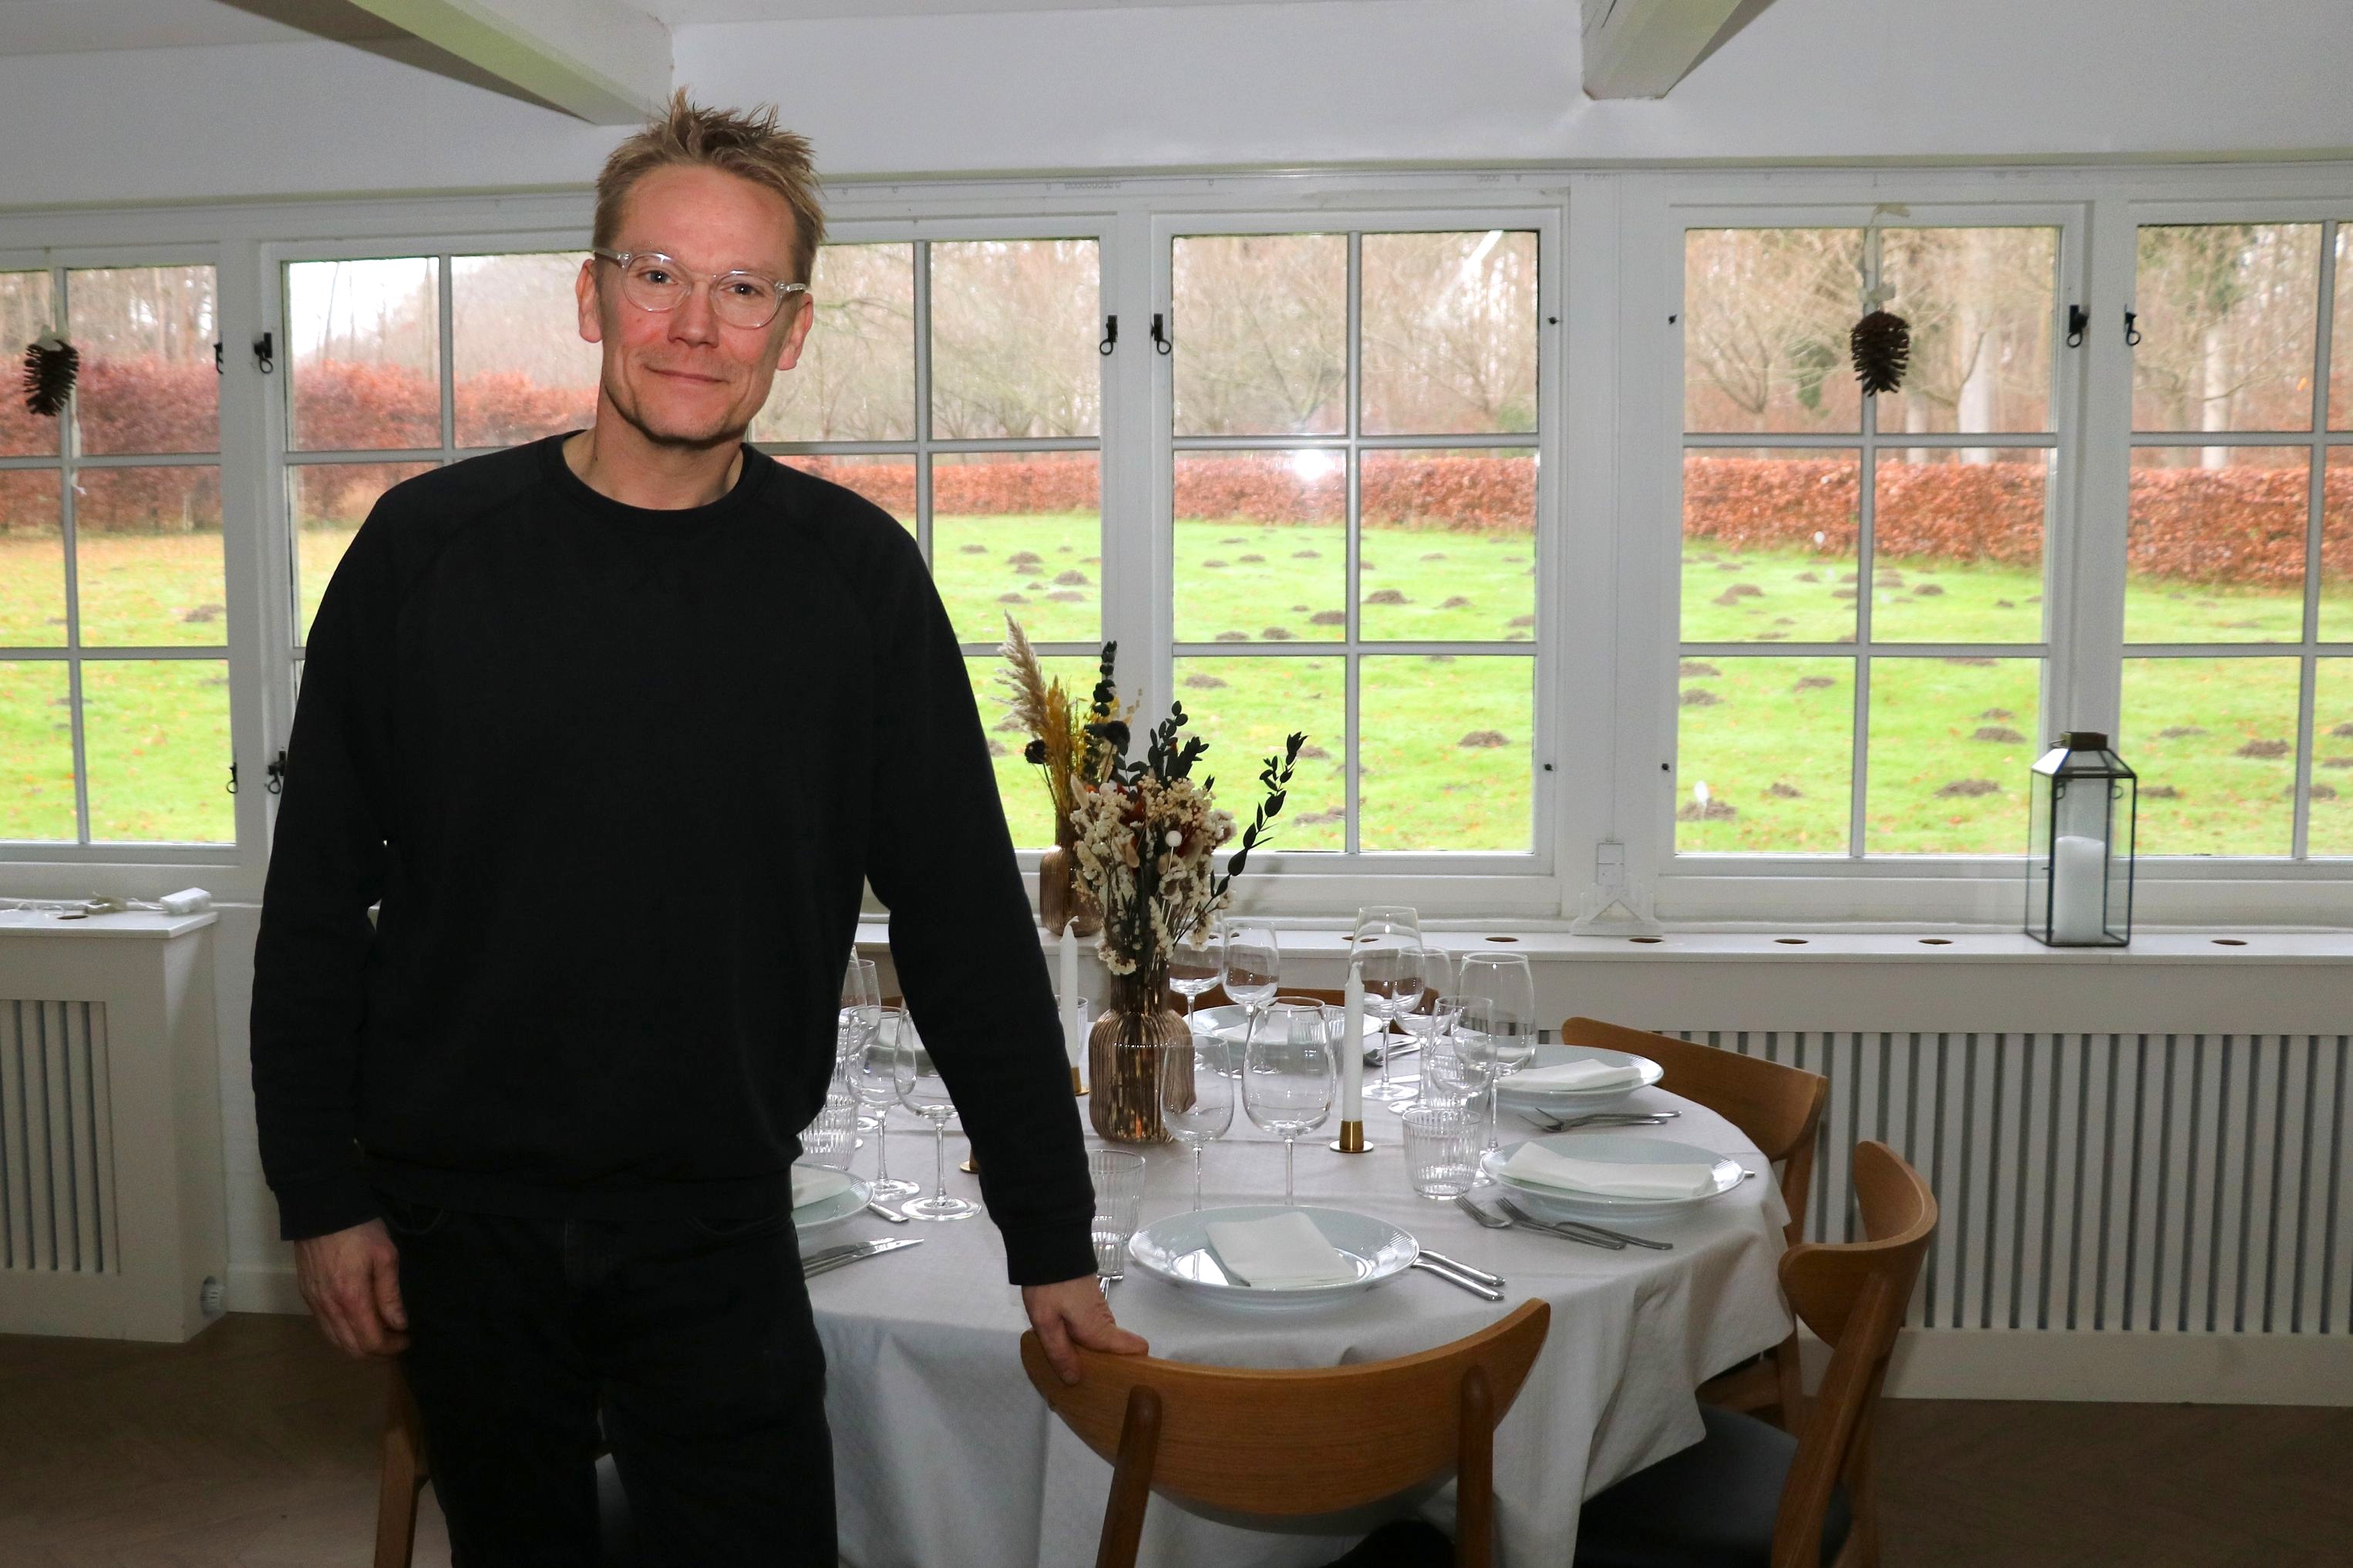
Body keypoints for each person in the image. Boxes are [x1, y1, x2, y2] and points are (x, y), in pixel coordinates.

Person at [248, 92, 1143, 1566]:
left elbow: (967, 922)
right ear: (592, 292)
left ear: (793, 331)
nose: (693, 322)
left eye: (743, 288)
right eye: (656, 273)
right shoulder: (425, 552)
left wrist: (1048, 1234)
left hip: (721, 1225)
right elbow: (317, 900)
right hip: (460, 1225)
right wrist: (321, 1189)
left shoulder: (852, 582)